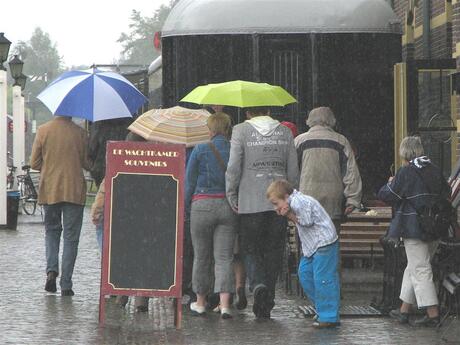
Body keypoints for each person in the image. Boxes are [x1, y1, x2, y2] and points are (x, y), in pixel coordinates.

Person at [226, 106, 299, 318]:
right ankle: (268, 299)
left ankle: (257, 284)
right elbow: (293, 169)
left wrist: (232, 193)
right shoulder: (285, 132)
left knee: (250, 248)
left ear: (248, 113)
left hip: (250, 201)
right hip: (278, 202)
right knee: (273, 251)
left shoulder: (240, 131)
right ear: (268, 109)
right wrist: (290, 196)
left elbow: (233, 167)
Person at [378, 136, 450, 327]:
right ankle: (404, 310)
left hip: (413, 228)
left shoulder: (406, 172)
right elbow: (447, 192)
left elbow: (387, 195)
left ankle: (432, 314)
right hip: (435, 227)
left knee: (420, 269)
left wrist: (390, 182)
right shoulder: (434, 169)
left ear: (404, 153)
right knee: (414, 266)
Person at [267, 179, 340, 328]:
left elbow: (306, 221)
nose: (276, 208)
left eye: (276, 203)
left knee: (323, 278)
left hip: (323, 242)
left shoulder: (299, 202)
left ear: (286, 197)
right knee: (305, 273)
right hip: (313, 246)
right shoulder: (294, 202)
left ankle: (329, 316)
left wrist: (289, 215)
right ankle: (322, 307)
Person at [30, 116, 90, 296]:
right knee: (71, 239)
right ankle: (66, 284)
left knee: (52, 232)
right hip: (74, 190)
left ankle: (51, 271)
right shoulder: (80, 133)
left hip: (50, 190)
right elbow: (87, 163)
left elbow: (34, 163)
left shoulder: (43, 130)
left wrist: (49, 167)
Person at [186, 112, 237, 319]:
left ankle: (200, 302)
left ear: (210, 129)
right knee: (224, 258)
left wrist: (186, 208)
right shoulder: (235, 148)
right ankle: (225, 304)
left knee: (201, 256)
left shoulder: (200, 149)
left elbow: (189, 182)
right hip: (227, 206)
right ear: (227, 128)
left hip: (202, 205)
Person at [295, 107, 362, 233]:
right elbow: (351, 173)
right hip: (333, 201)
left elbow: (292, 172)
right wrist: (352, 200)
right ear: (332, 121)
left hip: (305, 198)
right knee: (330, 239)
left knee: (307, 242)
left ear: (309, 120)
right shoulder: (341, 141)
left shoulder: (299, 141)